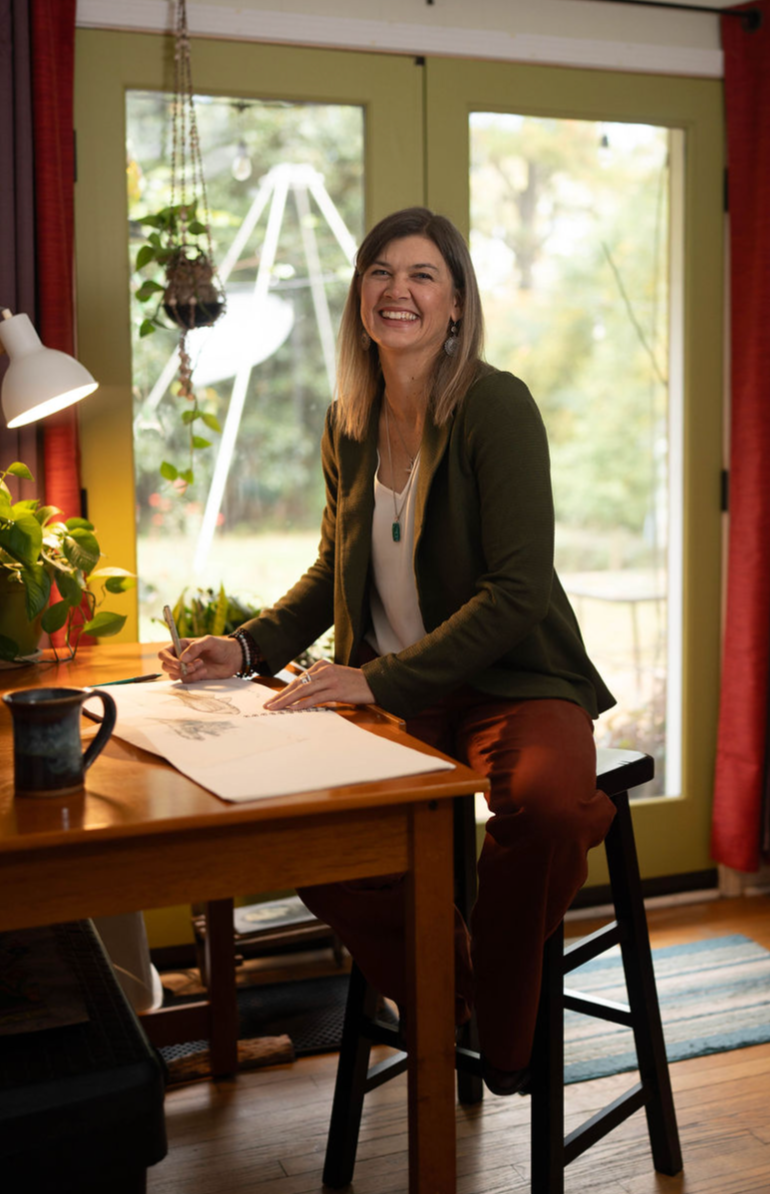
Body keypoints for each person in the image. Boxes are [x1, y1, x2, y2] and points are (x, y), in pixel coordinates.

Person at [159, 206, 617, 1095]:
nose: (396, 291)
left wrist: (374, 679)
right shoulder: (348, 420)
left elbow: (519, 590)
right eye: (380, 273)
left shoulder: (495, 405)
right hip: (396, 694)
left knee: (552, 809)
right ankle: (452, 1003)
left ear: (454, 306)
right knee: (296, 825)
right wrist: (244, 646)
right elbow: (333, 568)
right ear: (359, 299)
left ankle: (504, 1049)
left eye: (421, 276)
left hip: (513, 682)